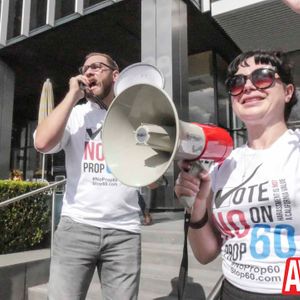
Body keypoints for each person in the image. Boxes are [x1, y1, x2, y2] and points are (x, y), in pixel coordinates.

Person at [175, 50, 300, 299]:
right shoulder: (224, 165)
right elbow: (206, 253)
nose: (249, 87)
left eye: (262, 77)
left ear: (287, 92)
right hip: (233, 290)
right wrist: (196, 207)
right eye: (237, 83)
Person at [34, 52, 142, 300]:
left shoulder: (135, 115)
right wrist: (72, 95)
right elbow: (41, 142)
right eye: (85, 68)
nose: (89, 72)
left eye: (97, 67)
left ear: (115, 75)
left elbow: (152, 177)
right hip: (77, 227)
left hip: (123, 231)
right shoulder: (75, 115)